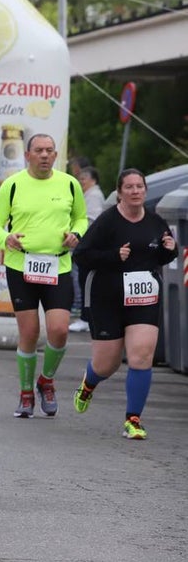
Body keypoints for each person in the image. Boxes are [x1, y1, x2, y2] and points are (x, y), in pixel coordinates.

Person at [0, 134, 87, 418]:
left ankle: (46, 381)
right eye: (39, 150)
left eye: (49, 151)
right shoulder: (12, 184)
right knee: (29, 333)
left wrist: (76, 234)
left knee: (60, 330)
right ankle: (26, 393)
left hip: (58, 266)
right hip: (22, 267)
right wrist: (6, 238)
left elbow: (81, 218)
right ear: (27, 155)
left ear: (56, 155)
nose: (44, 155)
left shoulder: (70, 184)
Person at [72, 169, 177, 439]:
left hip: (143, 299)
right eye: (129, 187)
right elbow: (81, 255)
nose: (135, 191)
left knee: (141, 356)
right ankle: (89, 383)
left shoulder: (155, 222)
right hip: (107, 299)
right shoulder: (108, 222)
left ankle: (133, 419)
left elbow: (161, 256)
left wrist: (170, 250)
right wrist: (113, 256)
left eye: (139, 186)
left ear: (145, 190)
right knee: (106, 364)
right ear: (119, 192)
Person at [70, 166, 106, 332]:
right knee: (81, 280)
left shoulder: (94, 196)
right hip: (84, 245)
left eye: (84, 178)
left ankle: (86, 318)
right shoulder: (87, 194)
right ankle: (85, 317)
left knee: (85, 281)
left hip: (88, 245)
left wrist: (76, 232)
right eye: (80, 178)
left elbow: (91, 220)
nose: (81, 181)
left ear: (94, 180)